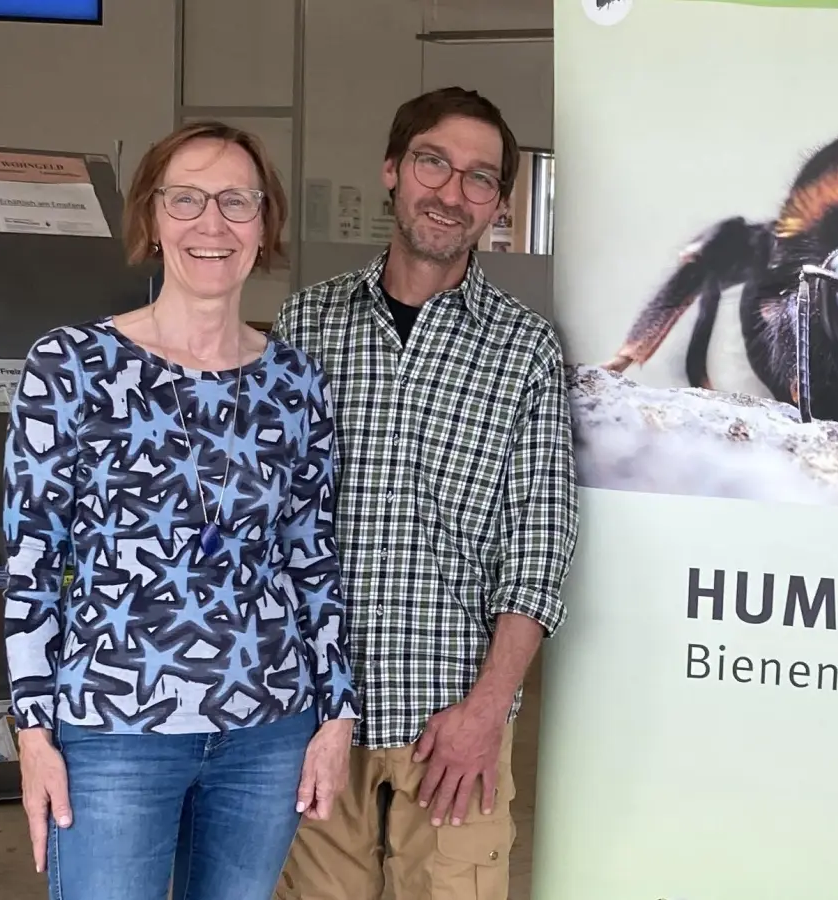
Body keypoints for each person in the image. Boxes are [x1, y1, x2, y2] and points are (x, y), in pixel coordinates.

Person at [1, 120, 361, 900]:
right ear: (152, 219)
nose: (212, 223)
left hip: (268, 732)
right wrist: (32, 733)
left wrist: (337, 718)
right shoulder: (70, 368)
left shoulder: (296, 382)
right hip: (112, 732)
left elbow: (312, 558)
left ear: (264, 228)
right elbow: (30, 564)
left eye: (237, 201)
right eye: (187, 198)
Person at [270, 87, 578, 900]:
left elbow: (540, 547)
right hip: (311, 724)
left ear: (499, 206)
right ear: (392, 170)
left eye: (480, 178)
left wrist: (486, 712)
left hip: (451, 730)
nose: (451, 191)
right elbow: (266, 523)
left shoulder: (525, 349)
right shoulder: (308, 324)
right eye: (433, 162)